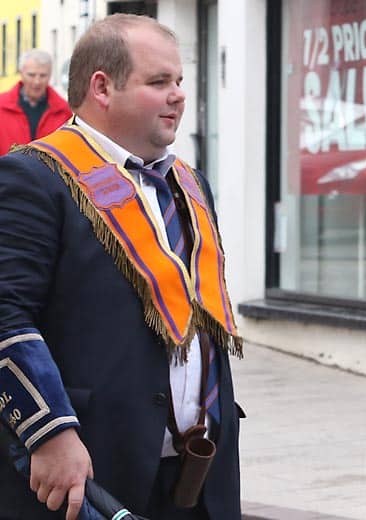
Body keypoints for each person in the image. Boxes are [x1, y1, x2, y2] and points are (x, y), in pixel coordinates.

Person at [0, 14, 243, 520]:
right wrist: (50, 433)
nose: (178, 94)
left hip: (198, 471)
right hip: (87, 468)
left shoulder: (191, 182)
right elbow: (6, 314)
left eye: (179, 81)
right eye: (159, 82)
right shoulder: (32, 176)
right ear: (102, 88)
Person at [0, 49, 71, 155]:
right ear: (21, 73)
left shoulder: (64, 111)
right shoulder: (2, 106)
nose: (37, 81)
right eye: (31, 75)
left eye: (43, 75)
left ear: (50, 75)